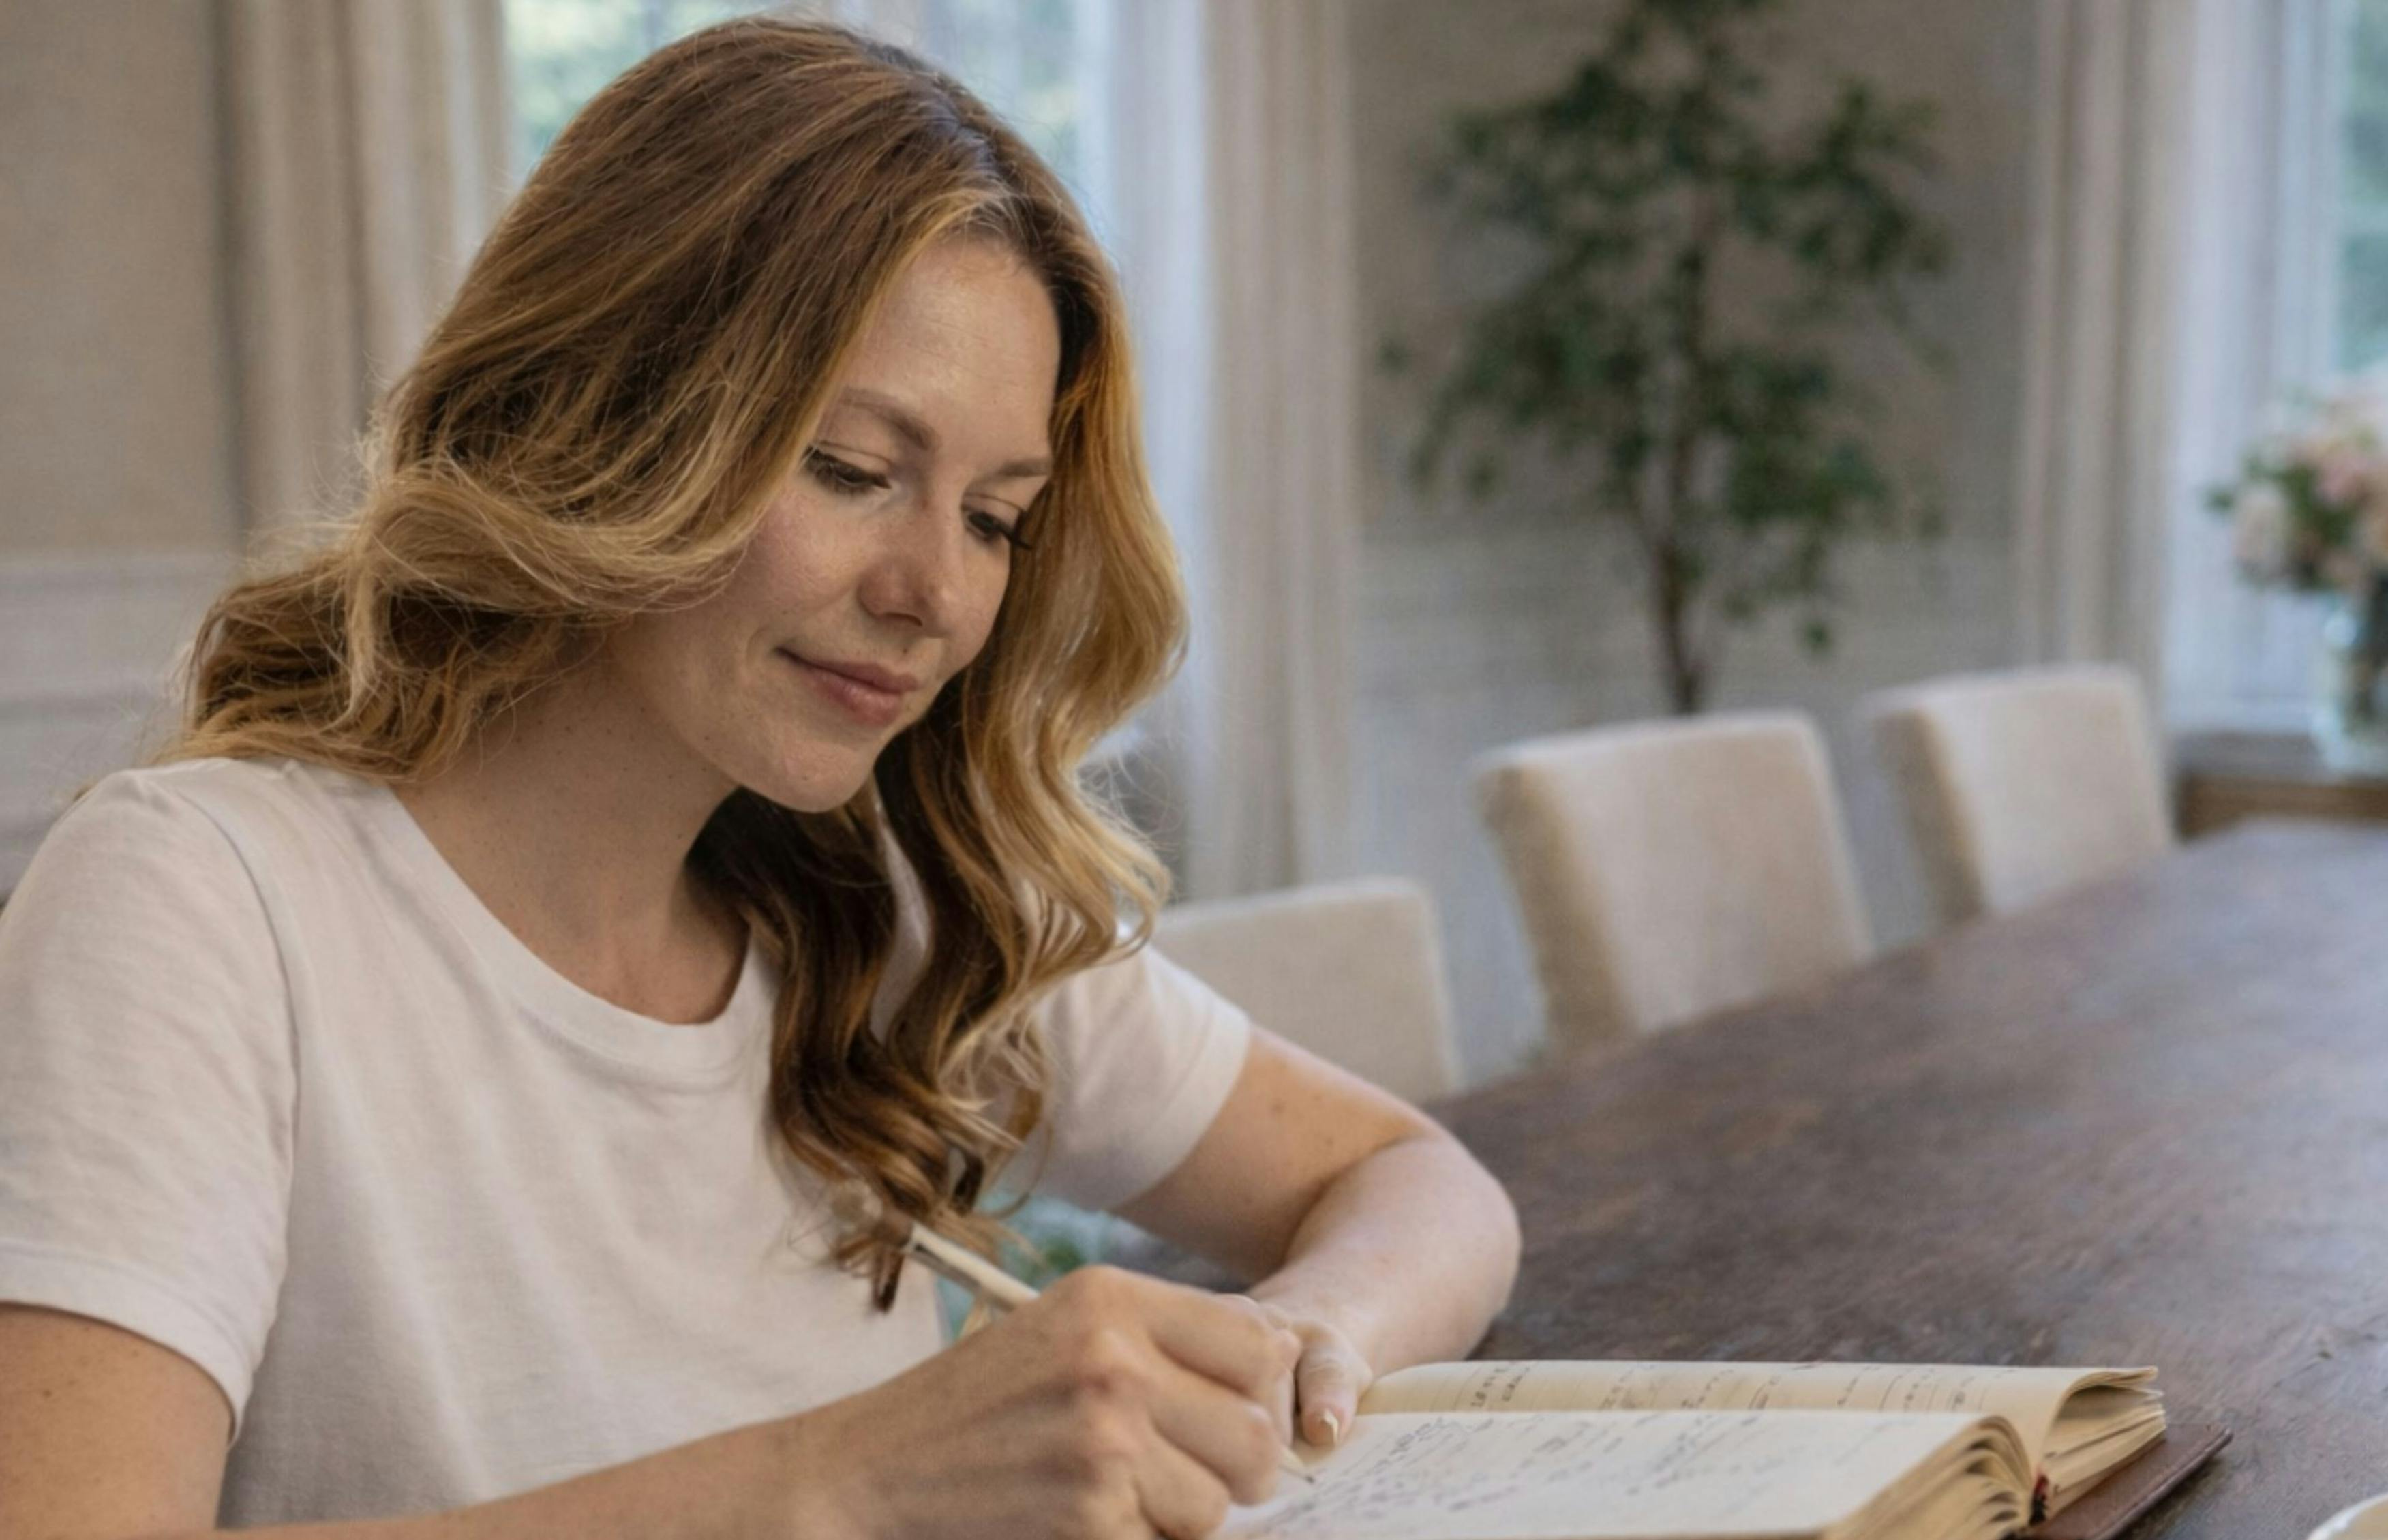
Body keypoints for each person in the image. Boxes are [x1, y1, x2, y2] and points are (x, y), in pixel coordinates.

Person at [0, 18, 1520, 1539]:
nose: (936, 590)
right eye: (855, 470)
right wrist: (849, 1475)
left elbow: (1420, 1183)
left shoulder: (891, 901)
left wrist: (1297, 1356)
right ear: (605, 418)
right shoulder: (198, 902)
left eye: (995, 516)